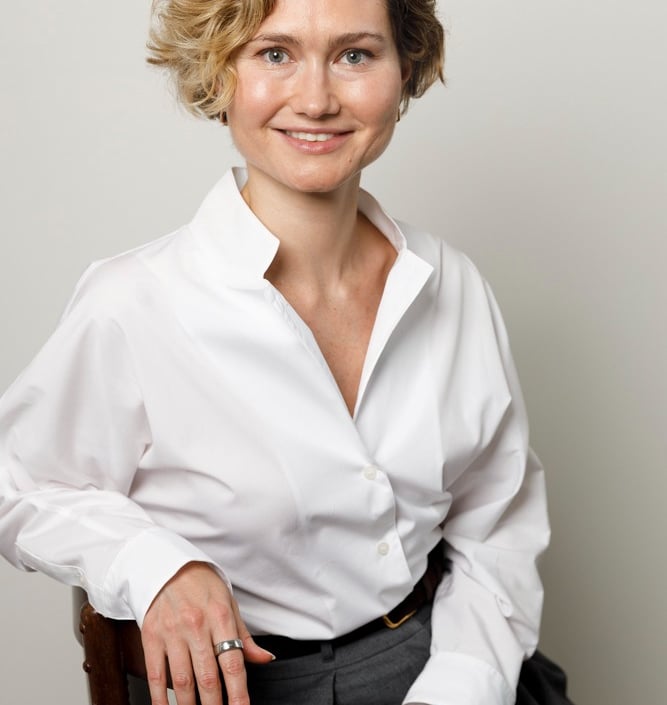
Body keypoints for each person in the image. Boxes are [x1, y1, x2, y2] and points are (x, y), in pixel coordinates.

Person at [0, 1, 574, 704]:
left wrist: (462, 684)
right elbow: (18, 485)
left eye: (355, 55)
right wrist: (153, 563)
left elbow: (498, 524)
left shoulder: (451, 282)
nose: (316, 100)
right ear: (218, 71)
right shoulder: (134, 302)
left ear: (404, 69)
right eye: (274, 54)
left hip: (450, 662)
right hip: (248, 686)